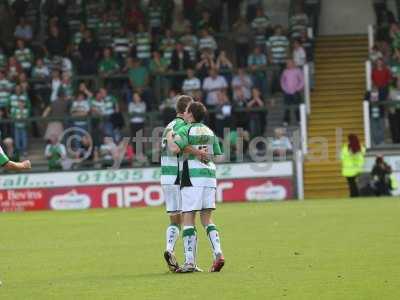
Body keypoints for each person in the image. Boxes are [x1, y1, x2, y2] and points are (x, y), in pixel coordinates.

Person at [167, 101, 225, 273]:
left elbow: (175, 149)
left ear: (190, 113)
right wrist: (202, 153)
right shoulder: (209, 131)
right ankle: (218, 254)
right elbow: (218, 156)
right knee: (207, 219)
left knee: (188, 218)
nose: (184, 113)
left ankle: (190, 261)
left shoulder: (186, 129)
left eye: (186, 111)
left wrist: (170, 136)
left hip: (192, 177)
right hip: (209, 176)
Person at [160, 95, 207, 272]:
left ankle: (169, 249)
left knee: (174, 219)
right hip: (178, 176)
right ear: (187, 109)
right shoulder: (182, 126)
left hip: (165, 175)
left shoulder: (168, 126)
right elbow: (178, 147)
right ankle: (190, 261)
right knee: (189, 218)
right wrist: (199, 153)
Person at [280, 59, 304, 125]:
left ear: (293, 63)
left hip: (296, 91)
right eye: (287, 63)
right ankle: (286, 120)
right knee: (286, 107)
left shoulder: (298, 70)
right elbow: (282, 81)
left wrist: (298, 88)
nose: (289, 64)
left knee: (297, 106)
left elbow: (302, 80)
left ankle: (299, 120)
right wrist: (285, 89)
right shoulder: (285, 71)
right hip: (287, 92)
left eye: (290, 63)